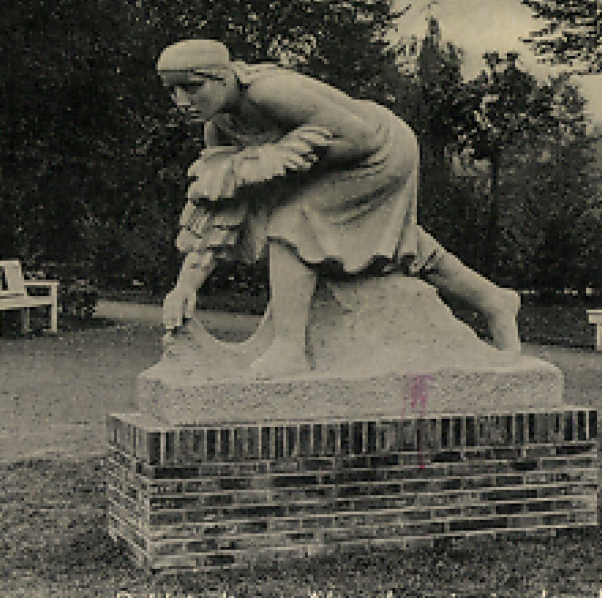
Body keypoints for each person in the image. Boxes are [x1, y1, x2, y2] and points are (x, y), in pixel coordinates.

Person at [156, 38, 521, 376]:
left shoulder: (270, 92)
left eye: (192, 86)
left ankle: (289, 349)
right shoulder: (218, 127)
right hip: (348, 155)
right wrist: (187, 285)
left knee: (292, 221)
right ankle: (494, 301)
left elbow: (359, 137)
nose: (181, 101)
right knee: (397, 242)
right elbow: (220, 201)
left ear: (222, 77)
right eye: (171, 90)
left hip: (380, 149)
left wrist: (282, 161)